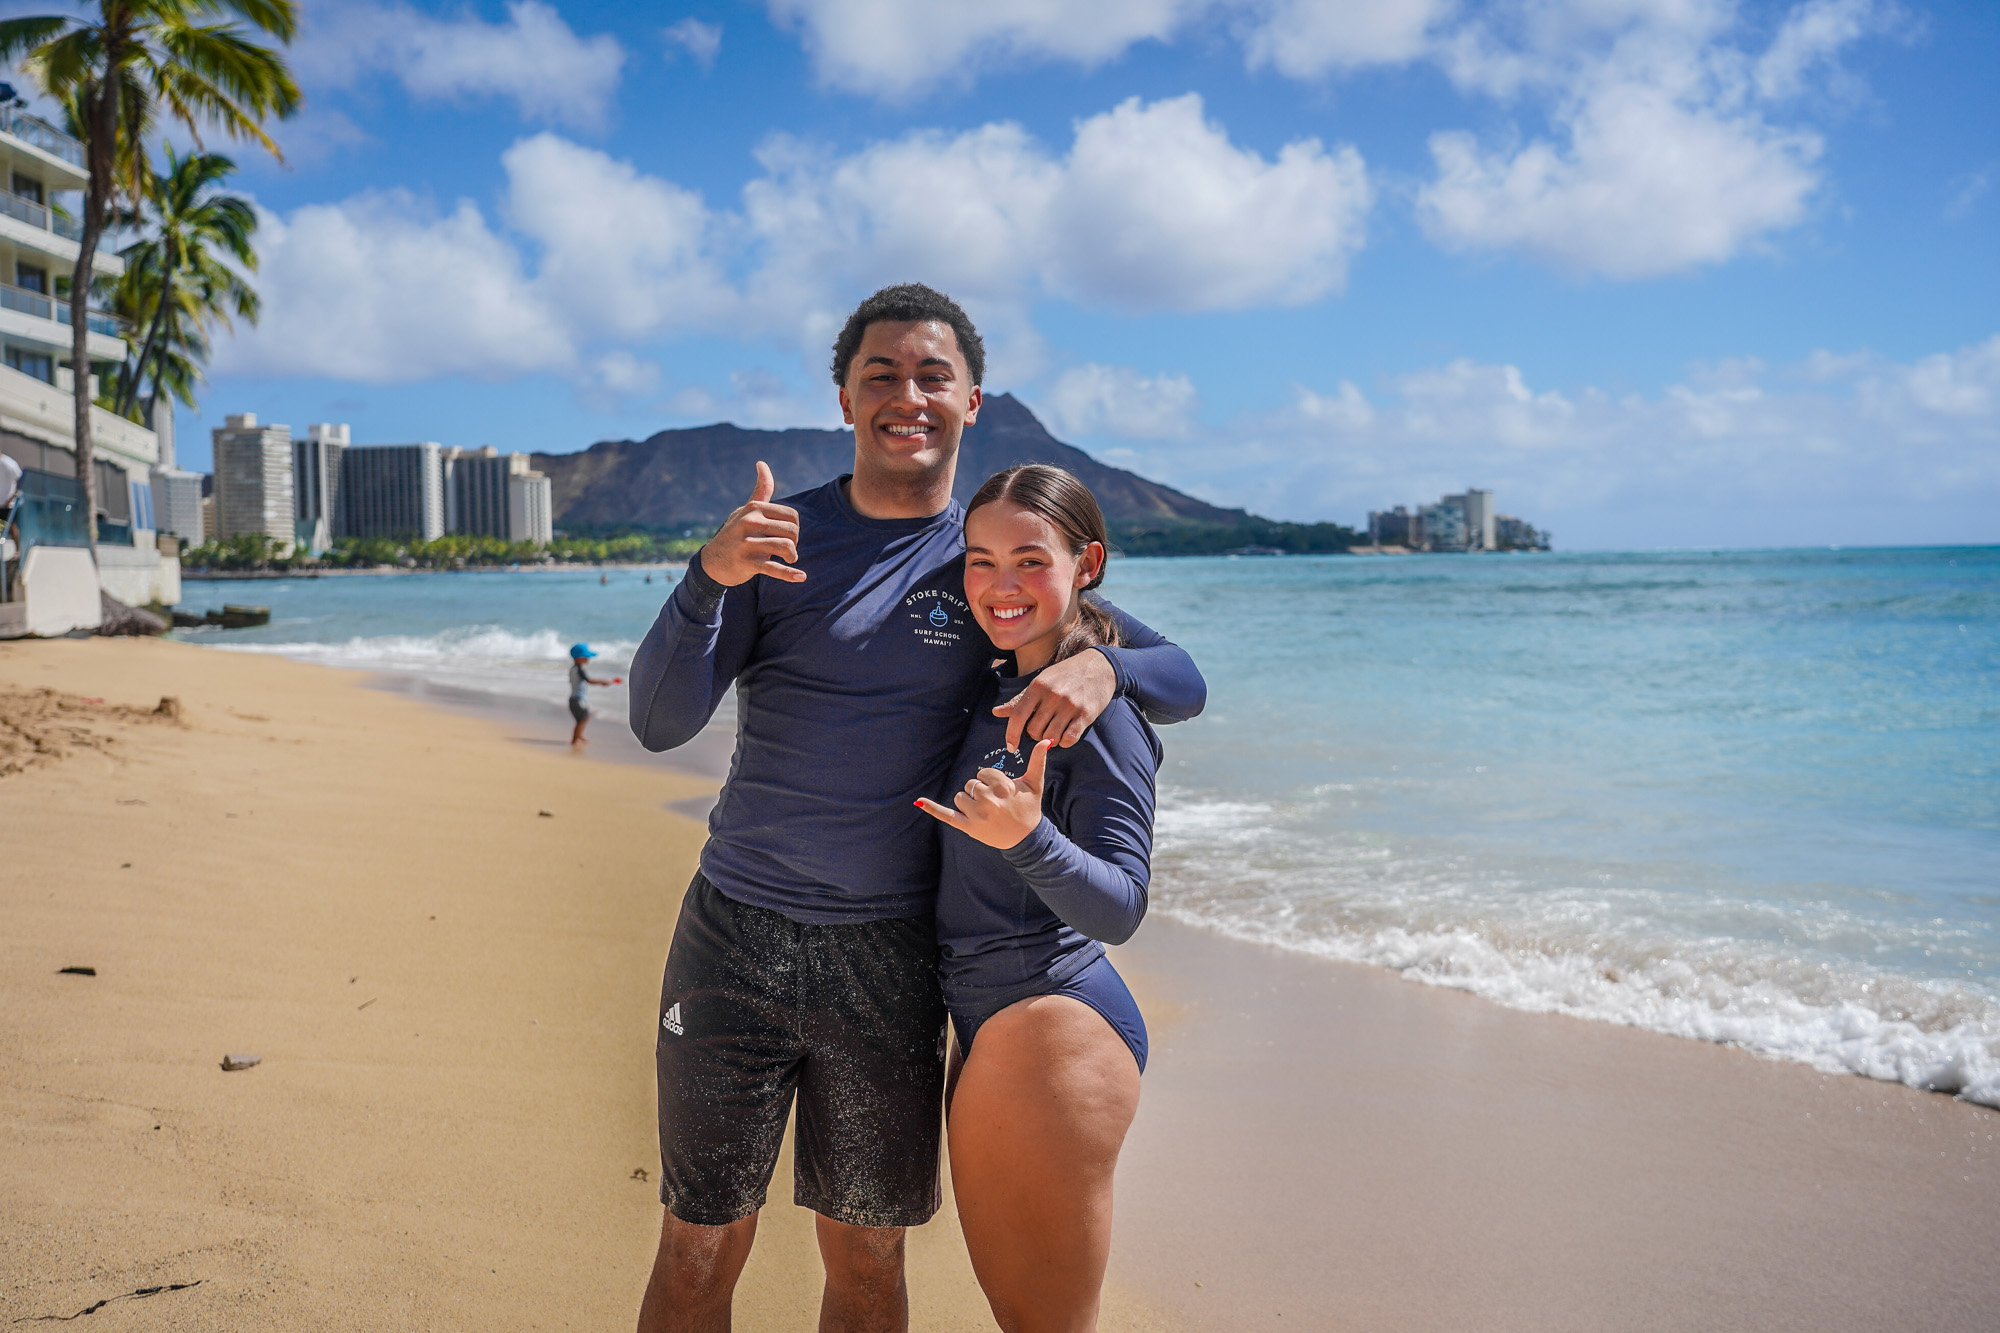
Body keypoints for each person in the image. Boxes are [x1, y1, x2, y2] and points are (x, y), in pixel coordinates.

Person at [627, 283, 1205, 1333]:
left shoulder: (987, 561)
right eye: (880, 374)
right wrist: (706, 578)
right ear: (844, 398)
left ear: (971, 400)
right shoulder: (779, 541)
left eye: (933, 375)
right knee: (697, 1242)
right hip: (734, 935)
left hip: (889, 956)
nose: (907, 395)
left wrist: (1106, 671)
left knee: (865, 1260)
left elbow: (1181, 676)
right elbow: (660, 723)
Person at [916, 464, 1156, 1332]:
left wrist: (1027, 838)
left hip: (1052, 1025)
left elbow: (1122, 907)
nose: (1001, 585)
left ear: (1086, 564)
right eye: (981, 561)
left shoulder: (1101, 713)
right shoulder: (996, 682)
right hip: (988, 1017)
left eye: (1029, 560)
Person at [567, 643, 617, 748]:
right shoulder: (579, 669)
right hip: (578, 699)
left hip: (574, 699)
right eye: (586, 657)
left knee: (582, 718)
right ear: (579, 658)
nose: (588, 659)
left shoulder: (572, 669)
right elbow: (589, 680)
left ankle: (579, 736)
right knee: (582, 719)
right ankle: (575, 739)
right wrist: (602, 681)